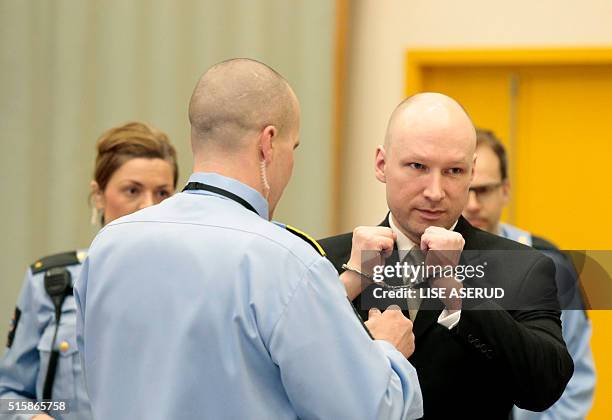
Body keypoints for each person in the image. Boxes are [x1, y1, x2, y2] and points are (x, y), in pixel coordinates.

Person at [74, 58, 423, 420]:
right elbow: (367, 413)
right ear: (269, 143)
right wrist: (388, 352)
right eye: (294, 147)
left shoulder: (108, 246)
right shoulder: (285, 261)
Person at [319, 92, 574, 419]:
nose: (435, 191)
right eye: (417, 166)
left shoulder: (520, 266)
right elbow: (290, 375)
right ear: (382, 164)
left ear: (471, 171)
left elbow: (544, 387)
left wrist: (459, 298)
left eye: (453, 171)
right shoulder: (325, 260)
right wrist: (344, 289)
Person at [0, 122, 179, 420]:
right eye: (132, 190)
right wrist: (36, 417)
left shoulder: (192, 287)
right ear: (98, 195)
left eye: (162, 193)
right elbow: (8, 396)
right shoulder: (50, 284)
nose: (149, 206)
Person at [463, 128, 595, 420]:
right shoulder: (423, 260)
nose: (472, 204)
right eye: (466, 189)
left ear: (505, 190)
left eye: (484, 190)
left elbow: (577, 381)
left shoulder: (550, 264)